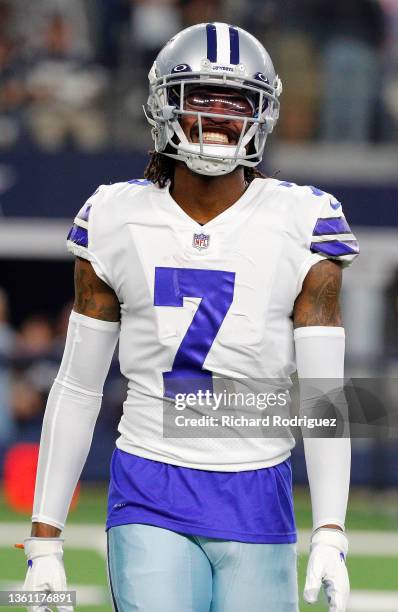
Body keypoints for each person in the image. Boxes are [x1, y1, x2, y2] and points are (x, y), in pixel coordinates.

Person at [21, 22, 358, 612]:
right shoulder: (114, 216)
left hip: (258, 487)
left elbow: (325, 395)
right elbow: (78, 384)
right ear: (163, 105)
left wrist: (331, 527)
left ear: (263, 113)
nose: (220, 117)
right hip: (151, 481)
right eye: (202, 97)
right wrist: (43, 538)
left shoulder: (303, 220)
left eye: (238, 102)